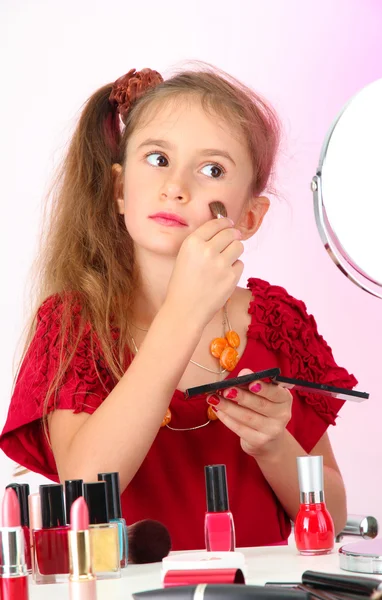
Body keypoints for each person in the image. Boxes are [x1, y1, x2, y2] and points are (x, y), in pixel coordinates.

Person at [0, 65, 357, 550]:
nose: (176, 186)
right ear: (120, 190)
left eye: (212, 170)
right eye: (158, 158)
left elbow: (331, 519)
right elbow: (83, 485)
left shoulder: (276, 323)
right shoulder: (73, 324)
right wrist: (185, 311)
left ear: (249, 217)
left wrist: (276, 444)